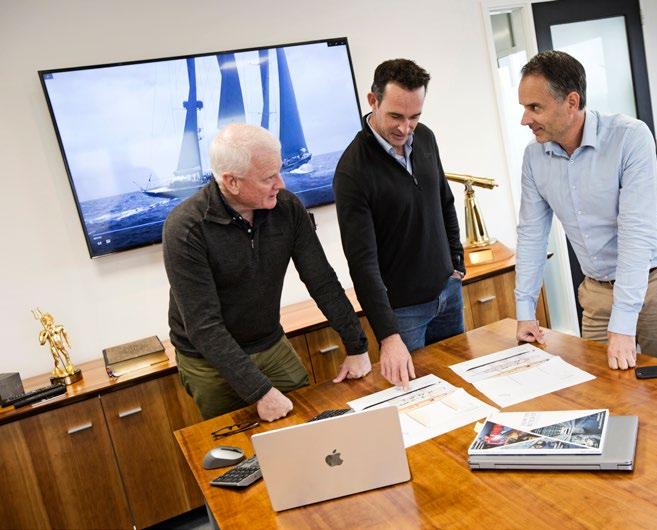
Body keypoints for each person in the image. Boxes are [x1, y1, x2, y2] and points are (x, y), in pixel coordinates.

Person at [163, 123, 370, 421]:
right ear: (232, 182)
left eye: (279, 171)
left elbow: (322, 281)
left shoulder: (287, 208)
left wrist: (357, 346)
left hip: (269, 343)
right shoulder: (185, 228)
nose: (281, 184)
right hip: (209, 361)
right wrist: (260, 392)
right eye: (268, 177)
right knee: (239, 444)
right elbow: (204, 327)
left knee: (310, 422)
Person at [514, 50, 657, 370]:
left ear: (571, 101)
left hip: (654, 284)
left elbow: (636, 232)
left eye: (535, 107)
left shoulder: (630, 137)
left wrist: (623, 324)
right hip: (596, 291)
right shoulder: (534, 157)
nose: (525, 119)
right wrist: (525, 310)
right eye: (524, 107)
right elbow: (531, 234)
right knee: (598, 386)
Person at [334, 59, 465, 389]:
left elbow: (444, 201)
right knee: (417, 399)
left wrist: (456, 262)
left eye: (414, 116)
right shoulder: (352, 170)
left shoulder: (426, 138)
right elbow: (362, 264)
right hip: (403, 314)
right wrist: (388, 334)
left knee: (460, 384)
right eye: (396, 116)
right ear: (373, 101)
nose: (406, 128)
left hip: (448, 293)